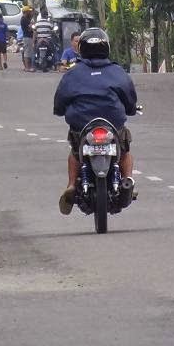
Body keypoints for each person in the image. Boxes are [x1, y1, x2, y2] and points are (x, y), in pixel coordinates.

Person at [53, 28, 138, 215]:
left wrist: (60, 110)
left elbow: (59, 102)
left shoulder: (72, 74)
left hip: (81, 125)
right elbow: (130, 99)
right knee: (124, 151)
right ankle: (128, 180)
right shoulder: (117, 72)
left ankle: (71, 185)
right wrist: (131, 109)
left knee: (76, 152)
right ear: (106, 48)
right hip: (113, 124)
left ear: (81, 49)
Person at [20, 6, 34, 71]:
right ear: (26, 12)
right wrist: (32, 25)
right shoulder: (24, 19)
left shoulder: (26, 19)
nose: (30, 12)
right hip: (27, 37)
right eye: (29, 11)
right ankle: (27, 67)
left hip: (28, 37)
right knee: (27, 52)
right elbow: (30, 28)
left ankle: (29, 66)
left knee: (29, 52)